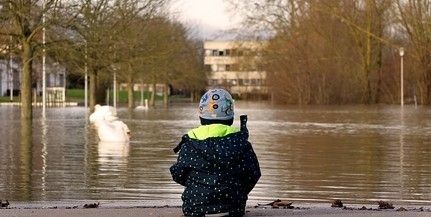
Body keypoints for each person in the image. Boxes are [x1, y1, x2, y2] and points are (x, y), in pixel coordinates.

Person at [170, 89, 261, 217]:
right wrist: (239, 191)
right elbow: (253, 174)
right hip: (233, 210)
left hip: (195, 210)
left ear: (201, 117)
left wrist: (196, 183)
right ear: (231, 117)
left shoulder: (189, 145)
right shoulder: (242, 144)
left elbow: (179, 174)